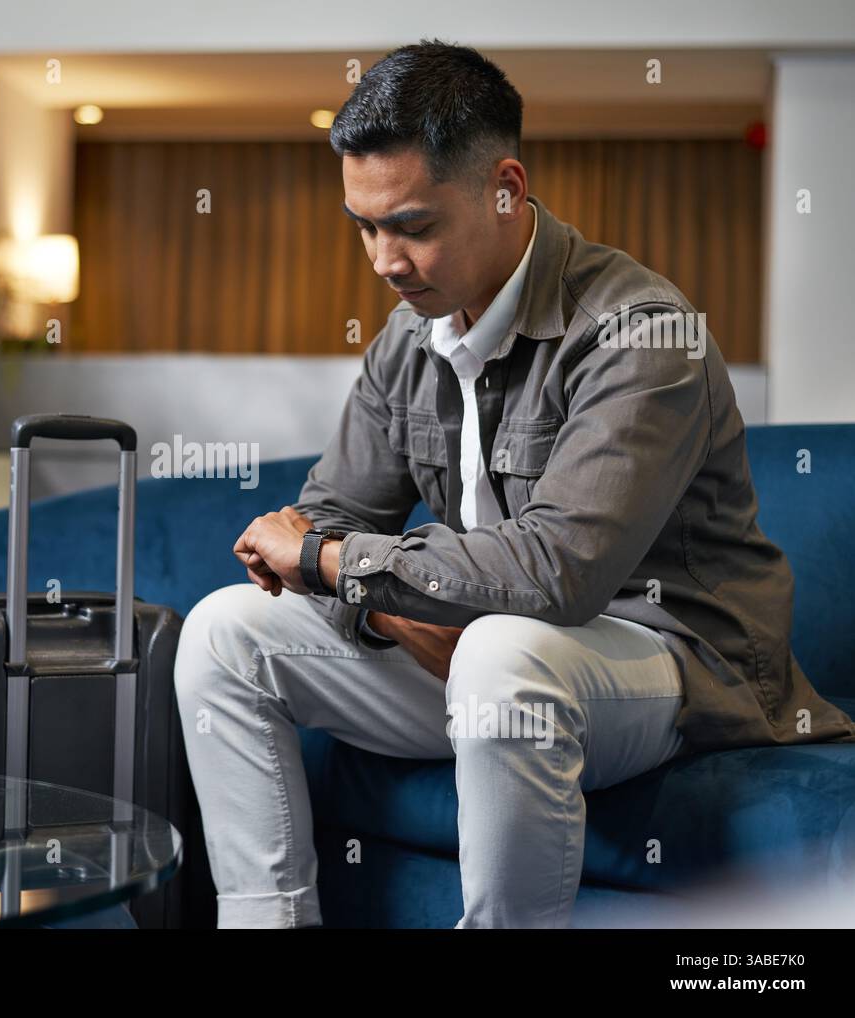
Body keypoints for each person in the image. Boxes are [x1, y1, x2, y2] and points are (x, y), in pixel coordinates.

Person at [172, 38, 855, 930]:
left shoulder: (642, 335)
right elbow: (334, 518)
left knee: (504, 651)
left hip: (667, 661)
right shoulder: (405, 341)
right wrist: (384, 601)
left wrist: (346, 569)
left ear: (506, 188)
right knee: (224, 632)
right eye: (365, 227)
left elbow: (556, 574)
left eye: (412, 225)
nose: (383, 259)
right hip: (488, 658)